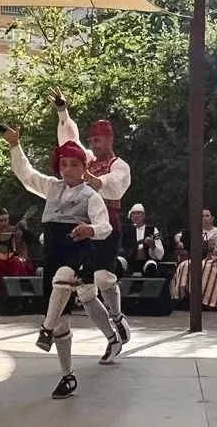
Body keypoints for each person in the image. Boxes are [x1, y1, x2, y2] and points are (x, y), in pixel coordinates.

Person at [1, 126, 114, 399]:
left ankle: (45, 329)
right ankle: (67, 375)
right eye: (64, 164)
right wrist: (15, 145)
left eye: (75, 164)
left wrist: (89, 230)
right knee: (63, 320)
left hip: (76, 249)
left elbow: (105, 226)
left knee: (63, 278)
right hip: (52, 250)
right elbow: (27, 175)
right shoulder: (52, 187)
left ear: (83, 166)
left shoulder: (91, 195)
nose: (68, 169)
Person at [52, 88, 134, 348]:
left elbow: (115, 185)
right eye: (93, 140)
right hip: (83, 228)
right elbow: (71, 142)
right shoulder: (85, 160)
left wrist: (91, 179)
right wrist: (62, 111)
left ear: (110, 140)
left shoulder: (119, 165)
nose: (94, 145)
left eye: (99, 140)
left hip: (107, 226)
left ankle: (118, 317)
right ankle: (112, 339)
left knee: (103, 278)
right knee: (85, 291)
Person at [172, 209, 217, 310]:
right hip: (197, 257)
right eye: (202, 216)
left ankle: (203, 299)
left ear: (212, 218)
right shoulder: (195, 230)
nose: (204, 218)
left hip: (213, 259)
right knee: (184, 265)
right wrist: (179, 242)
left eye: (207, 216)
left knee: (204, 267)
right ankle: (184, 295)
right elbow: (178, 236)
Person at [120, 203, 164, 277]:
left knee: (151, 266)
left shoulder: (152, 230)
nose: (135, 216)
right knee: (119, 262)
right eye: (133, 214)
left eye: (138, 213)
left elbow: (160, 253)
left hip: (147, 261)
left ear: (143, 216)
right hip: (129, 262)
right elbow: (121, 248)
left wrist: (152, 245)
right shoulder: (126, 231)